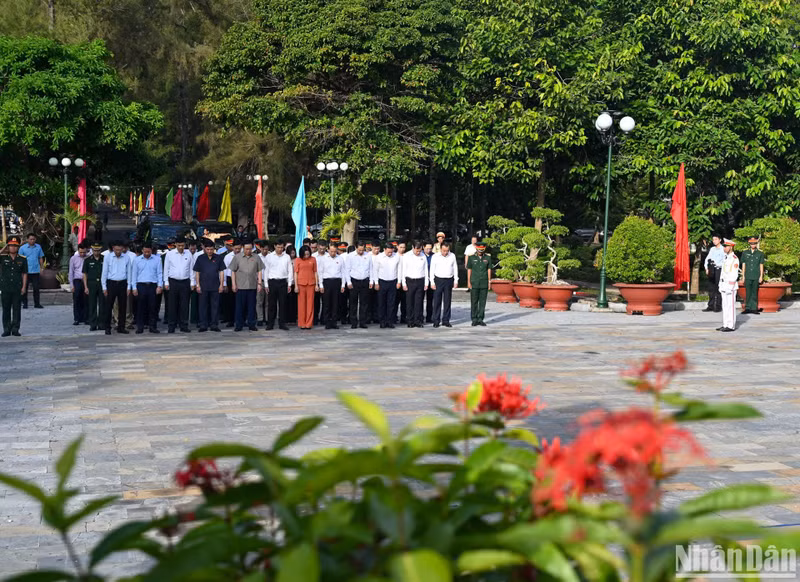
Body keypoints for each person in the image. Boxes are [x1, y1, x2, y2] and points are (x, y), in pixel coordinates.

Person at [192, 238, 225, 332]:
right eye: (208, 249)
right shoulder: (200, 258)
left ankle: (214, 324)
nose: (210, 251)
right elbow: (197, 272)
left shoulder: (218, 258)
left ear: (214, 249)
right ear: (204, 249)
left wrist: (221, 285)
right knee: (203, 306)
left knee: (215, 306)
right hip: (203, 286)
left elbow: (221, 272)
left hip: (215, 286)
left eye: (211, 249)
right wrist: (197, 285)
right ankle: (203, 324)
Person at [130, 241, 163, 334]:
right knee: (140, 307)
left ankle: (152, 326)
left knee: (153, 307)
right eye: (145, 252)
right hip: (141, 285)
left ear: (151, 251)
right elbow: (134, 274)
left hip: (152, 285)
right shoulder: (137, 260)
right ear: (142, 250)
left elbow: (159, 273)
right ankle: (140, 327)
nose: (147, 254)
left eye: (148, 252)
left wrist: (159, 286)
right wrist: (134, 287)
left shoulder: (157, 259)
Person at [163, 236, 194, 333]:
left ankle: (184, 325)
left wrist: (192, 282)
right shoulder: (170, 254)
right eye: (179, 245)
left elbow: (191, 269)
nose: (181, 247)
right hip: (173, 281)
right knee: (172, 304)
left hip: (185, 282)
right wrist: (166, 282)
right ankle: (171, 326)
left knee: (184, 305)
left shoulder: (188, 254)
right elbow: (166, 268)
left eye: (182, 245)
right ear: (175, 245)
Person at [230, 241, 263, 331]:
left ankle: (252, 324)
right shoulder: (237, 258)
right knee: (239, 307)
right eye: (246, 249)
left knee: (252, 306)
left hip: (252, 286)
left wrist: (259, 283)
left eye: (250, 249)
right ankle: (239, 324)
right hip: (240, 286)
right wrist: (233, 284)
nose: (248, 251)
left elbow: (259, 270)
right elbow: (233, 271)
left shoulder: (256, 257)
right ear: (243, 248)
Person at [101, 241, 131, 335]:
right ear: (113, 248)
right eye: (116, 249)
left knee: (123, 306)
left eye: (120, 250)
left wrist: (129, 286)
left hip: (122, 283)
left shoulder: (126, 257)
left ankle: (121, 327)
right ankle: (107, 327)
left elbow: (129, 272)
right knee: (109, 306)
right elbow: (104, 272)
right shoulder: (108, 257)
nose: (118, 251)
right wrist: (104, 287)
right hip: (111, 283)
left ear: (123, 249)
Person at [0, 235, 27, 337]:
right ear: (8, 246)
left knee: (16, 309)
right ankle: (6, 329)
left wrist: (24, 287)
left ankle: (15, 329)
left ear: (18, 247)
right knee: (6, 309)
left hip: (17, 287)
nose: (13, 248)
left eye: (15, 246)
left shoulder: (22, 259)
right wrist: (4, 248)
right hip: (5, 287)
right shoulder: (3, 258)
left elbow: (24, 273)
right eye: (11, 245)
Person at [263, 239, 294, 330]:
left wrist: (289, 284)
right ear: (274, 246)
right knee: (271, 304)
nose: (280, 249)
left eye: (281, 247)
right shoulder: (269, 257)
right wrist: (266, 284)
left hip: (283, 282)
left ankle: (282, 323)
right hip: (272, 282)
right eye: (278, 247)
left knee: (283, 304)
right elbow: (266, 271)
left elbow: (290, 271)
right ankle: (270, 323)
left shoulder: (287, 257)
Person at [317, 241, 346, 329]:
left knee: (335, 303)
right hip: (327, 282)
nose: (333, 253)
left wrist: (343, 285)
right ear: (328, 250)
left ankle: (334, 321)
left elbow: (343, 272)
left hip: (337, 281)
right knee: (326, 303)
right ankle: (327, 321)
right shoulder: (324, 258)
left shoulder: (340, 259)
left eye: (334, 251)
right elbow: (320, 272)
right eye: (331, 251)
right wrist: (321, 285)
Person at [371, 242, 400, 328]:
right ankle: (382, 321)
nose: (390, 254)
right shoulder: (379, 257)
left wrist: (399, 281)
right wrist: (376, 283)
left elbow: (399, 270)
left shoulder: (396, 257)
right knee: (381, 303)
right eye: (388, 252)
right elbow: (375, 270)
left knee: (391, 303)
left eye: (391, 252)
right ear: (384, 250)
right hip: (382, 281)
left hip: (393, 281)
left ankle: (390, 321)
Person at [345, 241, 373, 329]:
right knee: (353, 303)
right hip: (354, 281)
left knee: (364, 303)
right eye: (359, 250)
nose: (361, 252)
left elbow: (371, 269)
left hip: (364, 281)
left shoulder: (368, 256)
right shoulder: (350, 256)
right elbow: (347, 270)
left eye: (362, 250)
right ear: (356, 248)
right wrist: (348, 282)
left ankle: (362, 322)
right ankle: (353, 322)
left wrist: (371, 281)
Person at [430, 241, 458, 328]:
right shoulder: (435, 256)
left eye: (447, 250)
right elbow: (432, 269)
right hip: (438, 279)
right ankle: (436, 320)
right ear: (440, 249)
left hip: (449, 280)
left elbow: (455, 268)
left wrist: (456, 280)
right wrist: (432, 281)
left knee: (447, 301)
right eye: (444, 250)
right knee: (437, 301)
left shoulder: (452, 256)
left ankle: (446, 320)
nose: (445, 252)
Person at [401, 242, 428, 328]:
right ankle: (410, 320)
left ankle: (418, 320)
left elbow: (426, 270)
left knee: (419, 302)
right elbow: (403, 270)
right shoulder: (406, 256)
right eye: (416, 251)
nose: (418, 253)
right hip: (410, 280)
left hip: (420, 280)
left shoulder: (423, 256)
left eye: (419, 251)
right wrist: (403, 283)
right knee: (409, 302)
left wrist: (426, 282)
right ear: (413, 247)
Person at [467, 240, 492, 326]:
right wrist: (468, 281)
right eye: (479, 250)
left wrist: (489, 281)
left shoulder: (487, 258)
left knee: (482, 302)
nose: (480, 252)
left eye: (482, 250)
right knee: (474, 301)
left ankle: (480, 318)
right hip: (474, 281)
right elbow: (469, 270)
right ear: (476, 249)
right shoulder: (471, 258)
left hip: (484, 282)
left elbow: (489, 270)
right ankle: (474, 319)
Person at [294, 245, 319, 329]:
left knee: (310, 304)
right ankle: (302, 323)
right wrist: (296, 286)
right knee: (301, 305)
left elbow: (315, 272)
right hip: (301, 284)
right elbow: (296, 273)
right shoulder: (297, 260)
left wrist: (317, 284)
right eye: (305, 254)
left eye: (308, 254)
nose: (306, 256)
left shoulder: (313, 259)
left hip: (311, 284)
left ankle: (308, 323)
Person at [718, 239, 739, 332]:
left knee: (730, 306)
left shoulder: (734, 258)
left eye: (726, 246)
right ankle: (725, 324)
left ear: (730, 247)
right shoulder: (726, 258)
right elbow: (723, 272)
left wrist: (730, 286)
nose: (724, 248)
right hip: (723, 284)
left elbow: (734, 274)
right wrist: (720, 284)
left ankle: (731, 325)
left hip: (730, 286)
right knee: (725, 306)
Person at [83, 243, 105, 331]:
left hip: (102, 284)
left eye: (98, 250)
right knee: (92, 304)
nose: (96, 252)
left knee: (102, 304)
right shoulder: (88, 260)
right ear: (92, 250)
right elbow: (85, 274)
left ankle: (101, 323)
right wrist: (85, 287)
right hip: (91, 284)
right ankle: (93, 324)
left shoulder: (104, 259)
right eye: (95, 250)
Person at [19, 233, 44, 309]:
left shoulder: (38, 247)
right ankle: (25, 303)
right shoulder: (22, 248)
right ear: (27, 239)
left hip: (35, 270)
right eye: (30, 239)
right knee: (24, 288)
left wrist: (42, 267)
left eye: (33, 239)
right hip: (25, 271)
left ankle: (37, 303)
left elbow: (40, 257)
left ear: (35, 239)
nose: (32, 240)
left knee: (36, 288)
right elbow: (20, 260)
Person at [740, 236, 764, 315]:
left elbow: (761, 265)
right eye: (751, 243)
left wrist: (761, 276)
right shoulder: (745, 253)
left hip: (755, 275)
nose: (753, 245)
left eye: (754, 243)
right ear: (749, 244)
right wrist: (743, 276)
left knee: (754, 291)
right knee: (748, 292)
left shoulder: (760, 253)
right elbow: (744, 265)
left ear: (756, 244)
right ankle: (747, 308)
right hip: (748, 275)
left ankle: (754, 308)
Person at [703, 235, 725, 313]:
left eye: (716, 239)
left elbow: (724, 260)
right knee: (711, 288)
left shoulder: (723, 249)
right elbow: (707, 259)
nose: (714, 241)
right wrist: (706, 268)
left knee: (718, 288)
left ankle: (718, 306)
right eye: (713, 239)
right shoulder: (712, 249)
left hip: (719, 269)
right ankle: (711, 305)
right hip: (711, 269)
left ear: (720, 240)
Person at [68, 245, 88, 325]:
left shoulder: (88, 257)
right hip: (77, 280)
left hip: (86, 280)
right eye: (81, 252)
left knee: (86, 300)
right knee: (76, 300)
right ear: (78, 251)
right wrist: (71, 285)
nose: (82, 254)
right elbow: (71, 272)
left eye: (84, 252)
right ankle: (77, 318)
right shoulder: (73, 258)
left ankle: (86, 318)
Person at [255, 239, 270, 325]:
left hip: (269, 281)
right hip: (260, 281)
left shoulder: (271, 256)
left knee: (268, 301)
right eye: (263, 249)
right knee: (259, 301)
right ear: (260, 248)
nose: (265, 251)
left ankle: (267, 318)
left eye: (266, 249)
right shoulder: (257, 257)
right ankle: (260, 318)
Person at [313, 240, 328, 325]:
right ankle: (315, 318)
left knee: (325, 301)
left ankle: (324, 318)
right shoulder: (313, 256)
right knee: (315, 301)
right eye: (320, 248)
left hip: (325, 281)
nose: (322, 250)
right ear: (317, 246)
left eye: (323, 248)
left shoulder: (328, 256)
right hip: (315, 281)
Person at [423, 242, 434, 323]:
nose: (429, 250)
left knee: (430, 300)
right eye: (427, 248)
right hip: (421, 280)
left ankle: (429, 317)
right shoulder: (420, 255)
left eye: (430, 248)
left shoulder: (434, 256)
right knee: (419, 300)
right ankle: (419, 316)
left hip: (431, 280)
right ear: (423, 247)